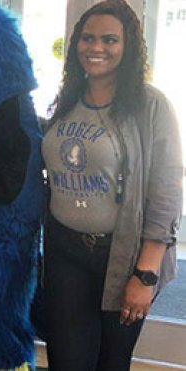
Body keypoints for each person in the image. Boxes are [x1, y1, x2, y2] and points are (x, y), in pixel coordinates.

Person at [42, 1, 182, 370]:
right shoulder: (67, 99)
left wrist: (145, 274)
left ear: (128, 47)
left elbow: (166, 192)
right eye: (88, 38)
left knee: (111, 362)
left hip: (123, 258)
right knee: (67, 360)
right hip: (64, 250)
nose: (96, 48)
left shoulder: (151, 105)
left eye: (109, 39)